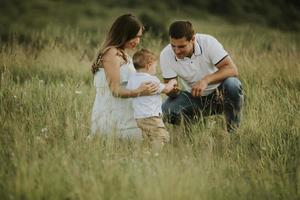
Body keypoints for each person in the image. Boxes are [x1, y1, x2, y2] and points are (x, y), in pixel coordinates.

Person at [160, 21, 244, 132]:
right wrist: (171, 89)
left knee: (233, 85)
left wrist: (205, 80)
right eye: (173, 46)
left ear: (193, 39)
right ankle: (196, 127)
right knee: (166, 109)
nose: (177, 51)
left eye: (181, 46)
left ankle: (233, 130)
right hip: (193, 97)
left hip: (220, 94)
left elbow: (232, 69)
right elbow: (171, 91)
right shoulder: (166, 54)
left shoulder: (208, 42)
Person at [90, 14, 159, 139]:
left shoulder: (123, 54)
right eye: (134, 36)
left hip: (125, 115)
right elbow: (115, 90)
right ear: (123, 33)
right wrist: (139, 91)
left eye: (139, 37)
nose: (137, 41)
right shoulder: (111, 54)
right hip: (114, 119)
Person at [126, 49, 177, 151]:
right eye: (155, 66)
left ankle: (145, 154)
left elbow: (129, 91)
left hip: (139, 117)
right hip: (151, 116)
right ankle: (154, 155)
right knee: (162, 137)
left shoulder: (132, 79)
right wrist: (172, 82)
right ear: (149, 66)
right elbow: (166, 89)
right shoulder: (151, 80)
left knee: (149, 139)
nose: (155, 69)